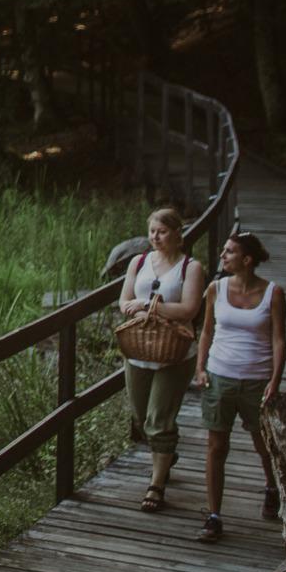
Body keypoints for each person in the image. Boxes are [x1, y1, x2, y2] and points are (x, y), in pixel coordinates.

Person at [192, 230, 286, 542]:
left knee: (264, 444)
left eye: (229, 252)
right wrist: (200, 367)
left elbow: (278, 339)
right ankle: (214, 515)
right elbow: (206, 332)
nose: (222, 256)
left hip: (257, 379)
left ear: (247, 260)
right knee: (216, 446)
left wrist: (275, 380)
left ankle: (272, 487)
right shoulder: (215, 289)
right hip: (220, 375)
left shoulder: (273, 293)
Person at [121, 207, 206, 512]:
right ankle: (167, 452)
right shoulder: (139, 262)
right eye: (152, 231)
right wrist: (141, 306)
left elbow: (189, 310)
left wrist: (148, 306)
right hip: (139, 350)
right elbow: (124, 301)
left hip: (175, 353)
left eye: (162, 232)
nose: (155, 237)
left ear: (177, 234)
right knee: (142, 419)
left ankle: (156, 485)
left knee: (159, 420)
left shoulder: (191, 268)